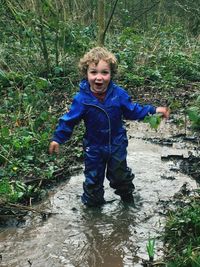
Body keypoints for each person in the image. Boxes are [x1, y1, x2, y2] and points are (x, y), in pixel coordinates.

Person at [49, 47, 170, 207]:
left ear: (111, 74)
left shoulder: (118, 94)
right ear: (86, 73)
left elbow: (133, 110)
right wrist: (58, 138)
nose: (99, 78)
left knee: (120, 177)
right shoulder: (82, 99)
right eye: (94, 72)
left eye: (104, 73)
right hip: (93, 147)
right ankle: (92, 213)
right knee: (93, 180)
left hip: (117, 144)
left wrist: (153, 110)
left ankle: (128, 202)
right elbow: (69, 120)